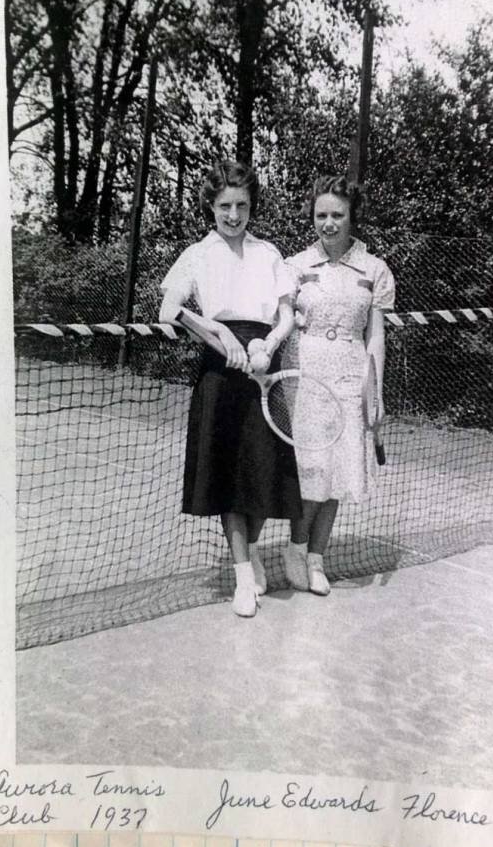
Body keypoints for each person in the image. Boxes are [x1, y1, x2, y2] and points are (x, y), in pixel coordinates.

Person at [159, 159, 301, 618]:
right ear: (211, 207)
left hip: (264, 366)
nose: (233, 215)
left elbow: (286, 316)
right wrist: (219, 335)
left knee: (262, 473)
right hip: (220, 373)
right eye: (224, 206)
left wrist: (267, 344)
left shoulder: (269, 253)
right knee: (227, 477)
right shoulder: (197, 254)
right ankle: (243, 575)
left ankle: (253, 549)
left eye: (241, 205)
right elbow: (169, 310)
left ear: (252, 205)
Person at [283, 174, 395, 596]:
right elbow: (280, 320)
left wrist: (376, 392)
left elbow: (376, 337)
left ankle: (316, 557)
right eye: (321, 215)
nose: (328, 223)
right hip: (306, 372)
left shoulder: (374, 269)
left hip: (351, 374)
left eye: (337, 215)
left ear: (352, 217)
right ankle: (295, 549)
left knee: (338, 472)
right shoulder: (295, 267)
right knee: (312, 468)